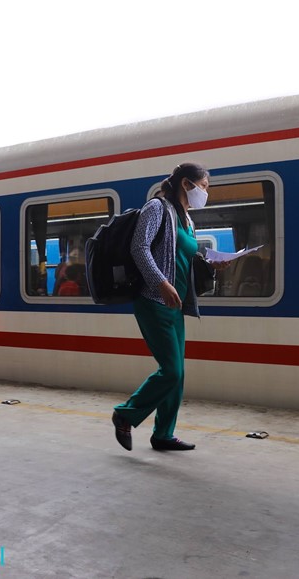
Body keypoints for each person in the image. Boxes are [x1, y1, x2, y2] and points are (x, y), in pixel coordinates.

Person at [111, 162, 229, 451]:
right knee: (171, 371)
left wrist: (215, 263)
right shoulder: (158, 208)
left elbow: (187, 258)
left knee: (178, 374)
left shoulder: (186, 219)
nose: (205, 193)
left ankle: (163, 434)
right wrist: (161, 283)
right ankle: (125, 414)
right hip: (154, 301)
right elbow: (139, 248)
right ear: (187, 183)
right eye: (204, 187)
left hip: (176, 305)